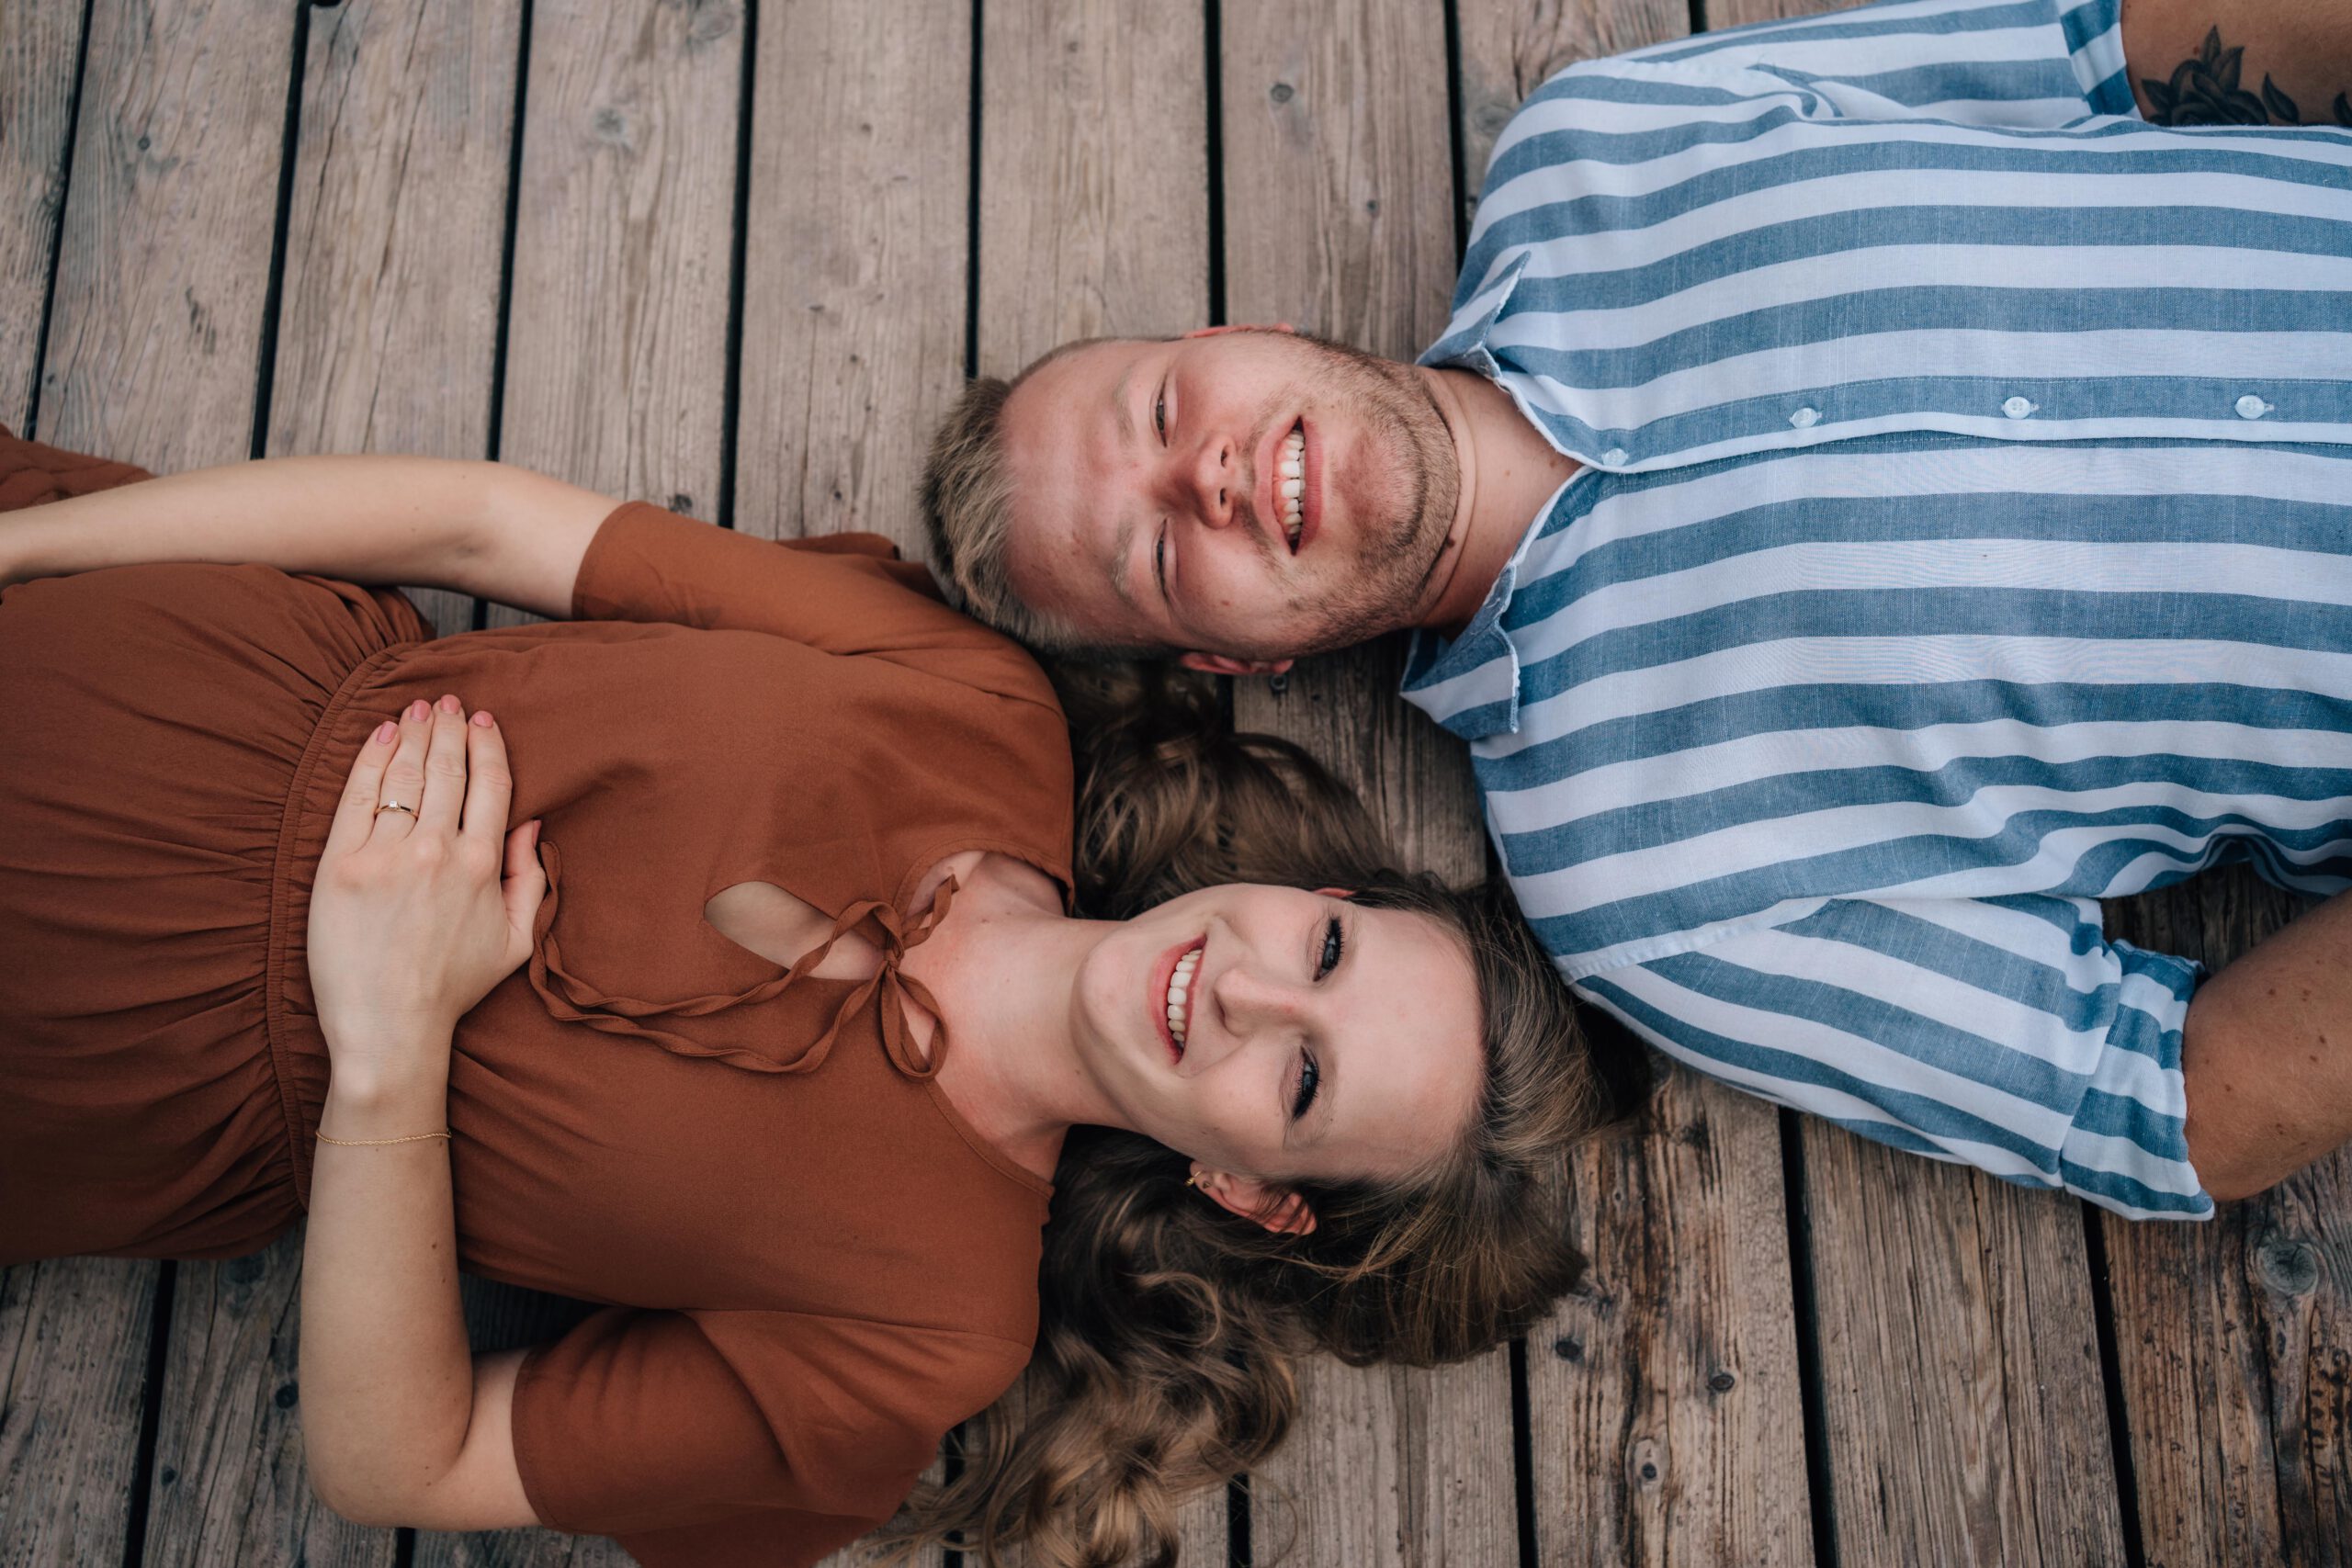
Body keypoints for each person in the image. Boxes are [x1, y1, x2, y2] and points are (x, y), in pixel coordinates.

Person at [0, 431, 1646, 1568]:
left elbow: (397, 1464)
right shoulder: (982, 704)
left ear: (1251, 1191)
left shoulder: (927, 1332)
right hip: (157, 653)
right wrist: (22, 549)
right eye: (1330, 957)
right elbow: (484, 528)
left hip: (97, 1051)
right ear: (1326, 898)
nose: (1249, 994)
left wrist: (385, 1055)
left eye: (1301, 1082)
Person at [920, 0, 2352, 1221]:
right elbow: (2160, 1109)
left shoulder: (1601, 139)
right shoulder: (1629, 889)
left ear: (1241, 337)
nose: (1206, 476)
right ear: (1240, 656)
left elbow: (2103, 51)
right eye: (1156, 554)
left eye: (1161, 412)